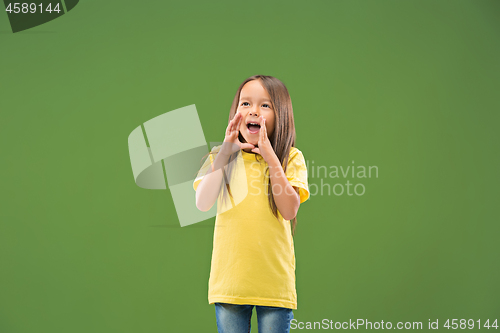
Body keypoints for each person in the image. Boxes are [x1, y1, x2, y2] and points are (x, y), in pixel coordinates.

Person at [193, 75, 310, 333]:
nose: (253, 111)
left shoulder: (290, 158)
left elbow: (289, 209)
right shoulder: (221, 157)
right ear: (236, 113)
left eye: (265, 105)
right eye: (245, 104)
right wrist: (225, 151)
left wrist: (272, 160)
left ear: (281, 115)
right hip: (230, 284)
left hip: (274, 286)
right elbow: (202, 202)